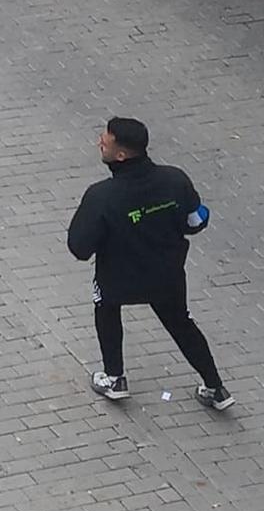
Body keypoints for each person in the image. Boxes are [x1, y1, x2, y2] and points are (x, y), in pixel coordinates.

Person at [69, 116, 233, 410]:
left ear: (120, 155)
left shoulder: (101, 196)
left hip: (118, 277)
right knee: (181, 323)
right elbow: (195, 221)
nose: (99, 143)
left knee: (106, 308)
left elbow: (79, 247)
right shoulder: (175, 179)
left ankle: (115, 377)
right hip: (166, 275)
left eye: (104, 141)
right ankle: (215, 387)